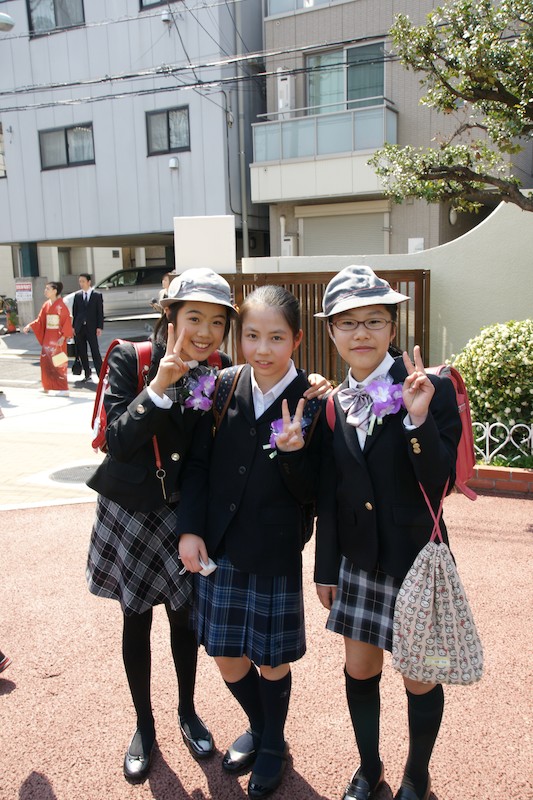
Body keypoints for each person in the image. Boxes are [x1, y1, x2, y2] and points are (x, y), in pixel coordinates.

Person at [313, 265, 462, 800]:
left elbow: (441, 481)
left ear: (393, 328)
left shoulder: (428, 387)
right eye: (348, 323)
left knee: (420, 675)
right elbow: (331, 493)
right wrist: (325, 568)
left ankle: (416, 774)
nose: (361, 334)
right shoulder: (333, 403)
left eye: (374, 321)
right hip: (358, 560)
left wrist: (418, 421)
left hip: (414, 558)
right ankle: (369, 766)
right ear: (332, 332)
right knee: (359, 668)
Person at [85, 268, 236, 783]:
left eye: (217, 322)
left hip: (183, 513)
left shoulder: (220, 369)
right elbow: (117, 441)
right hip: (131, 510)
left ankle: (187, 711)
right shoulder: (131, 358)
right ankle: (144, 725)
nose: (205, 333)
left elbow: (209, 452)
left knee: (184, 618)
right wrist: (158, 388)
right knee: (136, 619)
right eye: (194, 317)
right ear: (169, 315)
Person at [177, 285, 324, 799]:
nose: (263, 349)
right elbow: (198, 466)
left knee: (272, 660)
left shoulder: (312, 400)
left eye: (276, 337)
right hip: (219, 546)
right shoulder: (221, 385)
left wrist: (294, 455)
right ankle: (265, 730)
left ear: (297, 340)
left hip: (274, 549)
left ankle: (271, 745)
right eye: (252, 335)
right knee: (225, 654)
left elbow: (315, 492)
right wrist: (190, 529)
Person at [23, 281, 73, 396]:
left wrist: (64, 336)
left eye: (48, 289)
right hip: (48, 336)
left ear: (55, 291)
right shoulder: (46, 304)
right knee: (45, 362)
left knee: (59, 362)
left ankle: (63, 388)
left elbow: (66, 321)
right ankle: (47, 386)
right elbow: (40, 320)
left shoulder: (61, 305)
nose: (45, 291)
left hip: (58, 337)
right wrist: (30, 325)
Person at [72, 273, 104, 382]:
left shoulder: (97, 295)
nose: (81, 283)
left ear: (89, 282)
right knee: (82, 352)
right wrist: (73, 327)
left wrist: (99, 327)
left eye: (83, 281)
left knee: (95, 351)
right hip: (79, 327)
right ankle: (87, 373)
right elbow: (75, 312)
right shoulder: (77, 295)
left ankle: (101, 375)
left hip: (92, 327)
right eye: (80, 281)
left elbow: (100, 312)